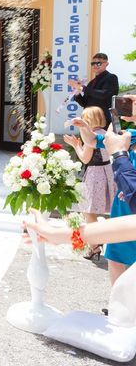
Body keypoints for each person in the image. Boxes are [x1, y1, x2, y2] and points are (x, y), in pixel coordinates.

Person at [72, 113, 136, 285]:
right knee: (115, 258)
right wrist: (85, 128)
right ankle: (116, 304)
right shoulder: (130, 134)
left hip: (133, 211)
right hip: (121, 209)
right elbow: (93, 141)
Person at [63, 107, 115, 260]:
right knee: (104, 209)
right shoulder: (105, 133)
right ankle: (100, 242)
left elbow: (85, 158)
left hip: (95, 173)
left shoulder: (91, 136)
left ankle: (95, 245)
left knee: (88, 210)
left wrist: (75, 145)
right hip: (107, 171)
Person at [68, 52, 119, 128]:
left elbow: (104, 95)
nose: (95, 65)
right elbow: (85, 104)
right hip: (90, 121)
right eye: (93, 63)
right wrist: (77, 93)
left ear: (106, 64)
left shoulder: (111, 77)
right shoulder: (91, 83)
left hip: (105, 121)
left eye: (98, 63)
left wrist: (82, 88)